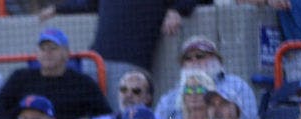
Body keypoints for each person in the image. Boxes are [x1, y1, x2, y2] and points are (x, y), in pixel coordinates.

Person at [39, 0, 197, 108]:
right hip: (96, 61)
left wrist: (176, 10)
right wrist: (57, 9)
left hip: (131, 63)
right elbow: (88, 3)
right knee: (91, 118)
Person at [0, 27, 112, 119]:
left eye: (53, 48)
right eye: (43, 49)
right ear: (37, 53)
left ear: (66, 53)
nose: (47, 53)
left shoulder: (83, 82)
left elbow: (105, 114)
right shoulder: (20, 77)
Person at [154, 36, 258, 119]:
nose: (194, 62)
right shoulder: (172, 97)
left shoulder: (236, 86)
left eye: (200, 56)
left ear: (216, 59)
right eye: (188, 58)